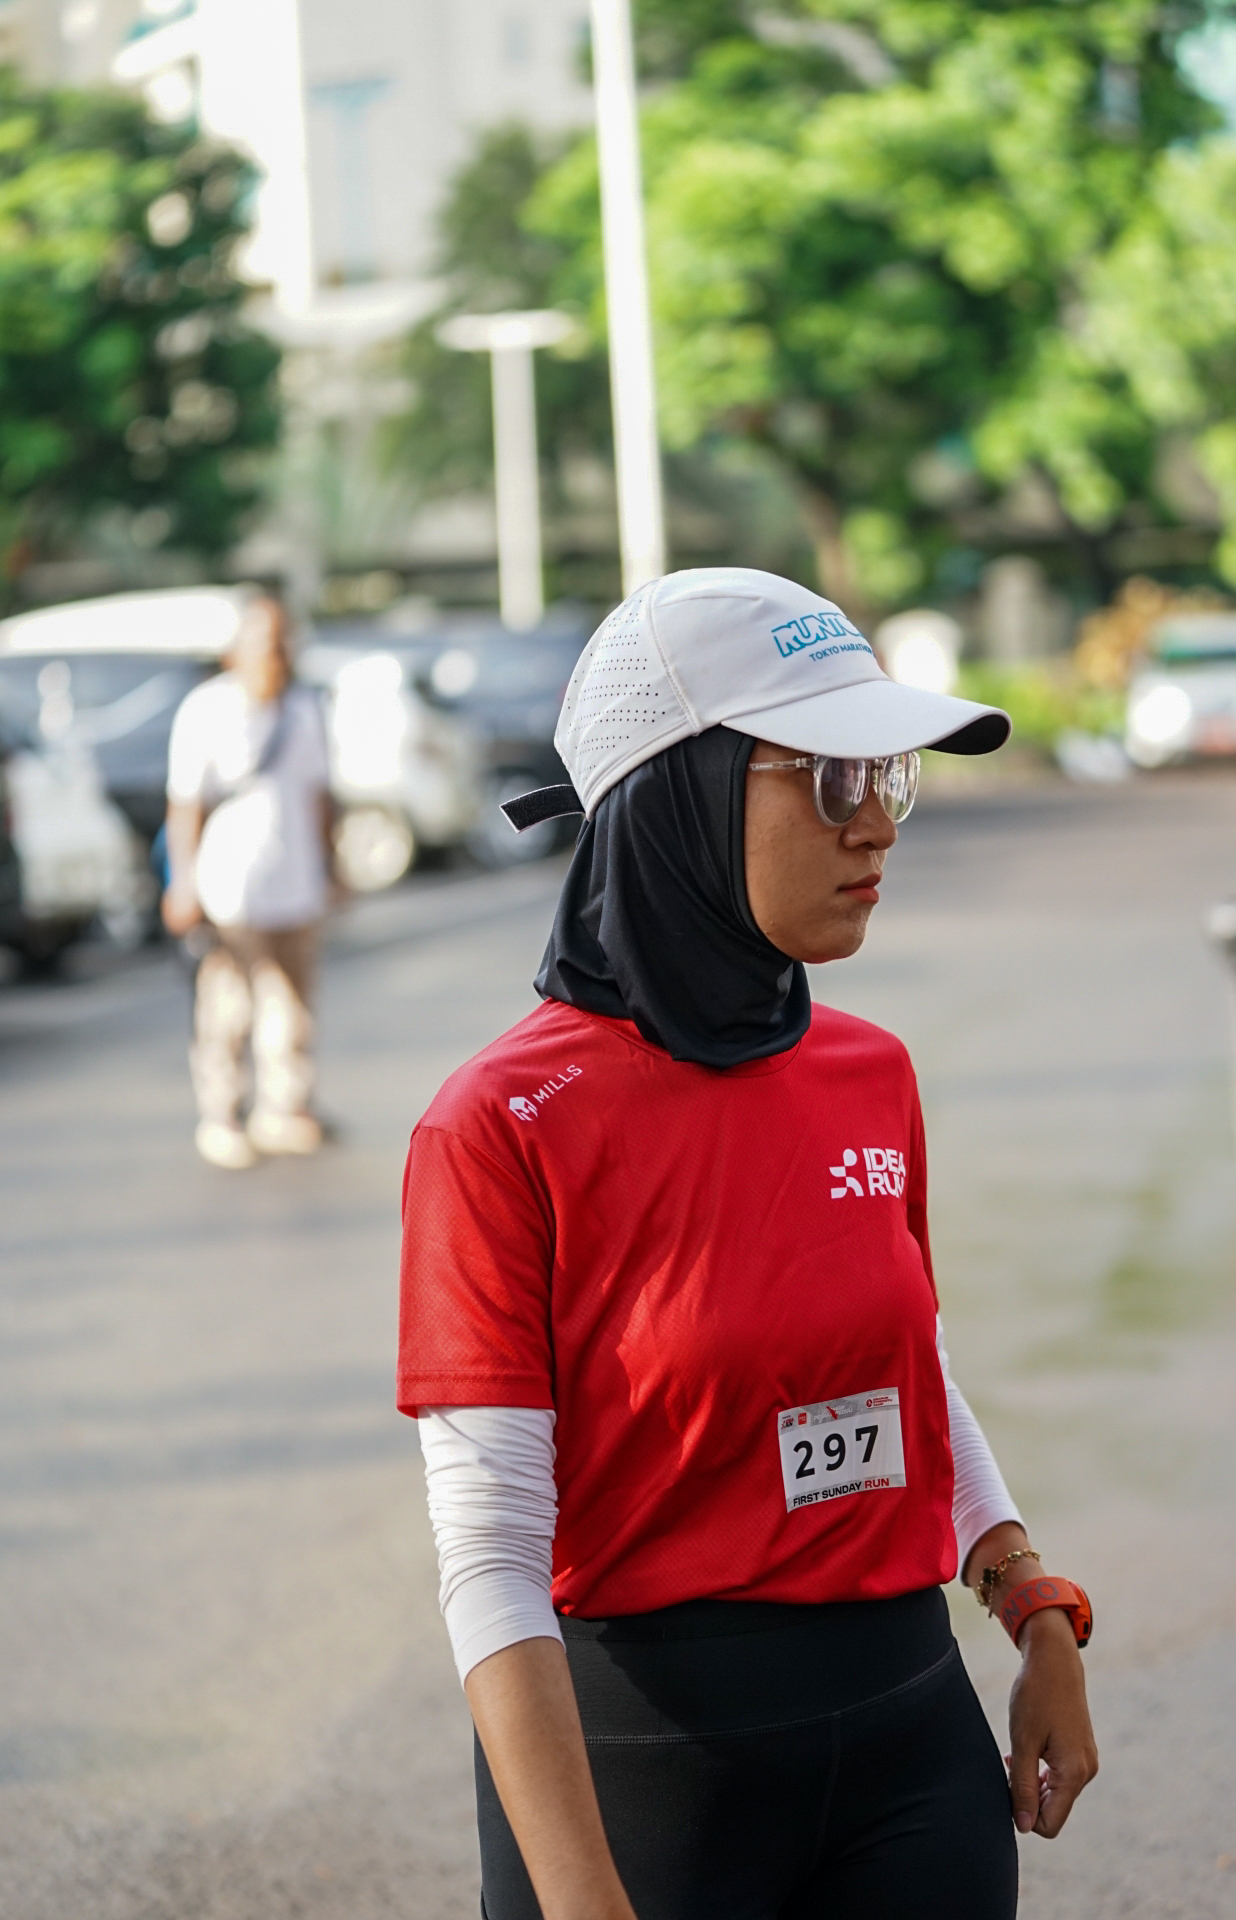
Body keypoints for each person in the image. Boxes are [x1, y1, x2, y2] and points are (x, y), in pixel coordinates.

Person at [398, 568, 1097, 1920]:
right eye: (831, 779)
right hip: (646, 1782)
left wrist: (1029, 1601)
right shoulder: (499, 1125)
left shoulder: (869, 1070)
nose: (875, 823)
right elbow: (489, 1558)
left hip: (910, 1746)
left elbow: (910, 1370)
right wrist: (582, 1902)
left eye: (888, 776)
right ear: (685, 793)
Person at [162, 593, 335, 1171]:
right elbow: (185, 805)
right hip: (230, 889)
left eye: (284, 644)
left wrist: (332, 867)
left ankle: (284, 1108)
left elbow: (319, 796)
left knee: (292, 1007)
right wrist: (183, 883)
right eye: (265, 644)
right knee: (229, 1008)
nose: (276, 656)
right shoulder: (206, 710)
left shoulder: (303, 709)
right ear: (234, 652)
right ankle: (222, 1115)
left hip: (296, 883)